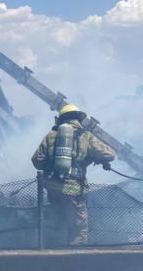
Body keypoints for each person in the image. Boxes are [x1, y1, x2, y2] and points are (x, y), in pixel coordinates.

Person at [31, 103, 116, 246]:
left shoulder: (51, 135)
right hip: (74, 189)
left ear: (60, 119)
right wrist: (90, 157)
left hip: (52, 188)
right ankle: (74, 260)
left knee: (57, 222)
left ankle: (51, 257)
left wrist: (53, 164)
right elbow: (110, 154)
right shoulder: (85, 136)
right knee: (78, 229)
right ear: (79, 119)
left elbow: (37, 161)